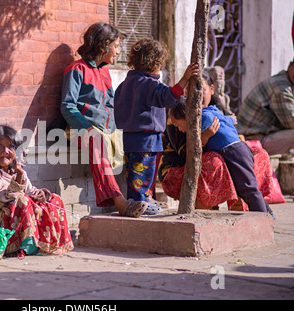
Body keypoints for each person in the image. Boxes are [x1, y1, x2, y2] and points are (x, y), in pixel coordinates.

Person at [60, 22, 148, 218]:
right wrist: (87, 128)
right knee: (97, 141)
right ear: (103, 45)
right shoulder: (76, 69)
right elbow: (67, 106)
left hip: (106, 128)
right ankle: (120, 202)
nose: (118, 51)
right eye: (116, 46)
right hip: (80, 128)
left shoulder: (105, 72)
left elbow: (110, 106)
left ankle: (140, 196)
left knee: (135, 141)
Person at [167, 71, 273, 214]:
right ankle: (264, 213)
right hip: (186, 167)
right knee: (245, 186)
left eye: (201, 90)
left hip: (233, 152)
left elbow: (227, 129)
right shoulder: (204, 113)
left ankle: (262, 216)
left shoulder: (201, 117)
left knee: (248, 187)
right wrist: (204, 137)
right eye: (190, 91)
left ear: (212, 89)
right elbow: (186, 153)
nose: (196, 96)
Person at [113, 37, 199, 214]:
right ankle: (140, 203)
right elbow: (169, 97)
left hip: (128, 137)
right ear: (155, 63)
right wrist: (184, 79)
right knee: (144, 173)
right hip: (147, 139)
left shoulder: (124, 84)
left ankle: (139, 201)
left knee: (134, 173)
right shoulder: (150, 85)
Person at [0, 125, 74, 257]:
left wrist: (41, 195)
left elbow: (30, 191)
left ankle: (46, 243)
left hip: (13, 215)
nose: (5, 151)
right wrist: (19, 178)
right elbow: (2, 199)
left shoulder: (16, 170)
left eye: (10, 146)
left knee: (54, 199)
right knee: (22, 201)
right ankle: (24, 245)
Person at [236, 59, 294, 155]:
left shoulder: (287, 81)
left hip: (264, 136)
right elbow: (291, 122)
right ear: (290, 66)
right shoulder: (281, 87)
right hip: (253, 140)